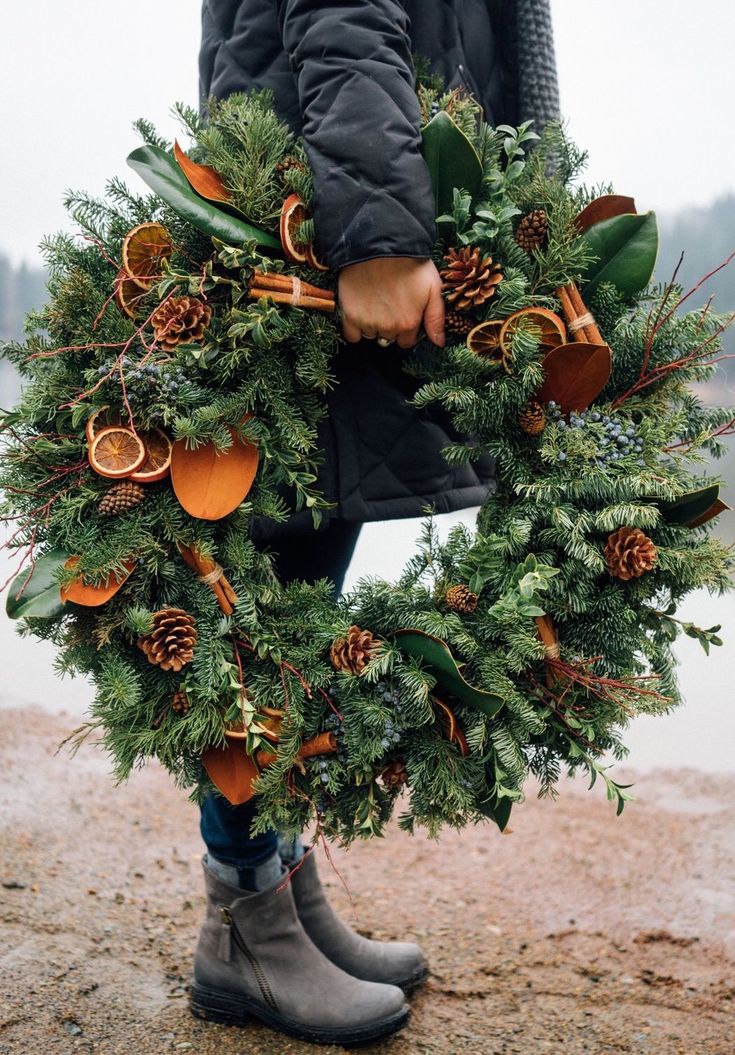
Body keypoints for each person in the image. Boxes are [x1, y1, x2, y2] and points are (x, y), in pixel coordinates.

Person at [192, 0, 560, 1044]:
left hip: (347, 177)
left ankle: (282, 890)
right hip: (318, 205)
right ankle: (242, 920)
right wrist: (379, 233)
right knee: (262, 587)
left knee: (308, 576)